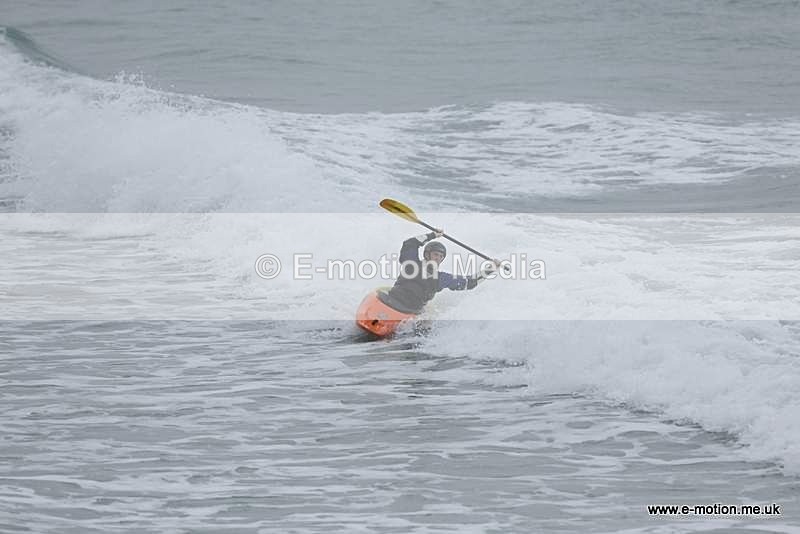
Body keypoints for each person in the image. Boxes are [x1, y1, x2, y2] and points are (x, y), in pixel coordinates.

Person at [378, 229, 500, 314]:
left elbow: (470, 282)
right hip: (393, 300)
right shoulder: (411, 263)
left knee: (427, 318)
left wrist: (491, 269)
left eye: (441, 256)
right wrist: (432, 235)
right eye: (436, 254)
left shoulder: (441, 278)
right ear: (427, 254)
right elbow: (409, 243)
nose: (438, 258)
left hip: (409, 311)